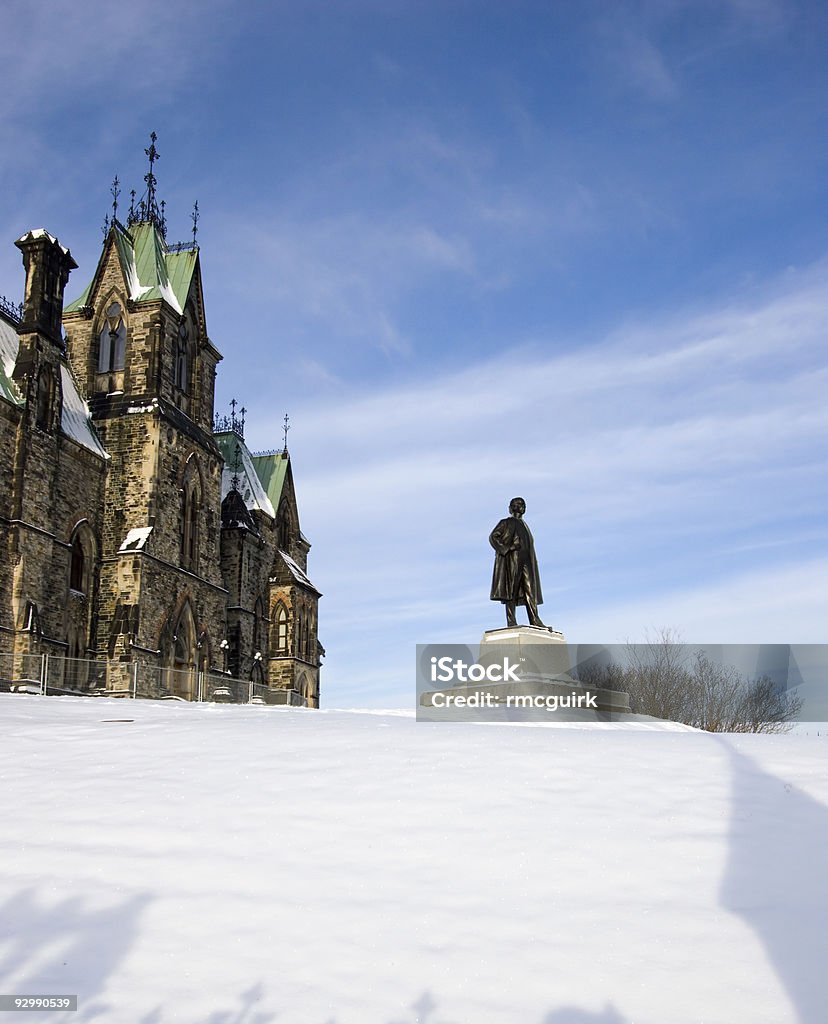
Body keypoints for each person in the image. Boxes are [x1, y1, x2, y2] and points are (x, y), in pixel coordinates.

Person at [489, 497, 546, 628]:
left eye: (523, 504)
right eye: (519, 504)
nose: (522, 506)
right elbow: (493, 536)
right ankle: (511, 620)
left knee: (530, 589)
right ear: (511, 507)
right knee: (511, 589)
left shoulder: (525, 525)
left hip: (527, 561)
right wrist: (507, 548)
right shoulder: (506, 522)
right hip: (513, 558)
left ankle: (534, 619)